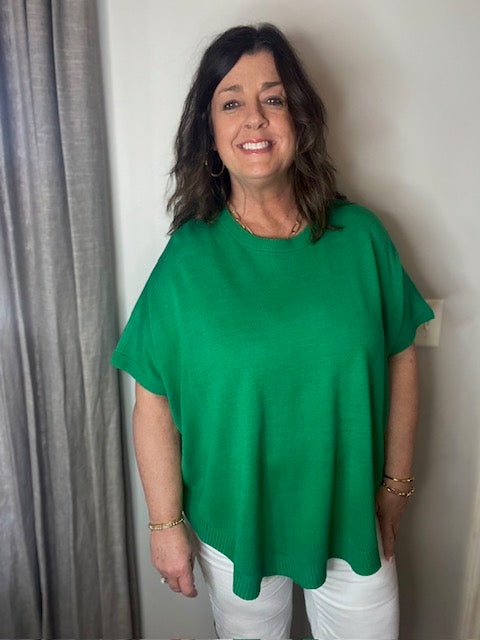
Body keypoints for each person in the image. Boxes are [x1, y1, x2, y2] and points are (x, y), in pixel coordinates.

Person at [111, 23, 434, 640]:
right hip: (235, 526)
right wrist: (164, 525)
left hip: (350, 516)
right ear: (210, 134)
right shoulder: (188, 259)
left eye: (273, 98)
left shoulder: (362, 237)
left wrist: (396, 485)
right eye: (231, 102)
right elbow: (152, 401)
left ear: (299, 120)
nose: (254, 118)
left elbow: (402, 359)